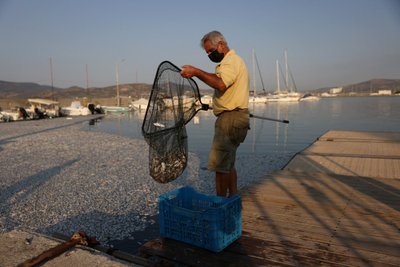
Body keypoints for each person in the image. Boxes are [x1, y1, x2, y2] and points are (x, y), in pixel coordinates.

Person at [181, 30, 250, 197]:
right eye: (207, 53)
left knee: (220, 165)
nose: (209, 55)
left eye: (211, 50)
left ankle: (219, 205)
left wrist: (196, 72)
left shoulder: (231, 61)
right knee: (228, 162)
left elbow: (220, 84)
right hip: (235, 117)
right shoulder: (229, 62)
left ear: (221, 44)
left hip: (230, 119)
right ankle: (233, 198)